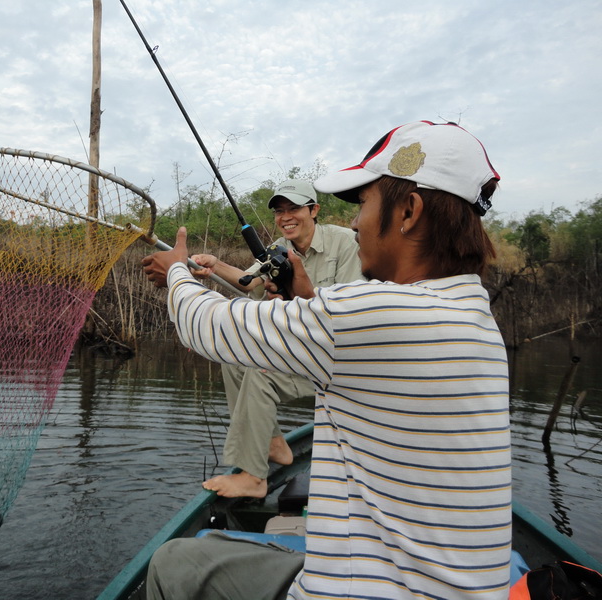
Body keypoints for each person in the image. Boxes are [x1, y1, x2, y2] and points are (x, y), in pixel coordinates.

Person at [142, 120, 511, 599]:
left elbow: (206, 326)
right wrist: (305, 299)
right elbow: (335, 331)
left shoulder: (375, 311)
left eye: (363, 205)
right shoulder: (472, 313)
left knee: (173, 562)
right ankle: (265, 446)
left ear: (409, 211)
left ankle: (255, 471)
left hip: (364, 591)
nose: (355, 223)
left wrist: (177, 273)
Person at [189, 179, 363, 498]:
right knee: (234, 361)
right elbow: (246, 282)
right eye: (279, 211)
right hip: (300, 350)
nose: (285, 217)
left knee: (260, 373)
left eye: (294, 208)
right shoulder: (276, 250)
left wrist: (295, 295)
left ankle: (254, 477)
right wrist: (215, 265)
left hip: (338, 359)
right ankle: (275, 444)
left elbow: (347, 310)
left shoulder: (346, 242)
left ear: (314, 210)